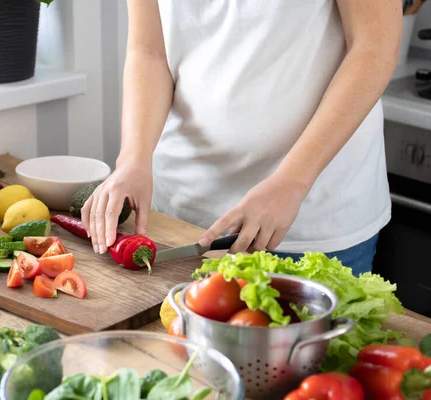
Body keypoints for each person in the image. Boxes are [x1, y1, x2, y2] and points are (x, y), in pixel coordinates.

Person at [81, 0, 402, 276]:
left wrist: (292, 182)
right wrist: (133, 158)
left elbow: (373, 48)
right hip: (182, 215)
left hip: (313, 217)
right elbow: (149, 50)